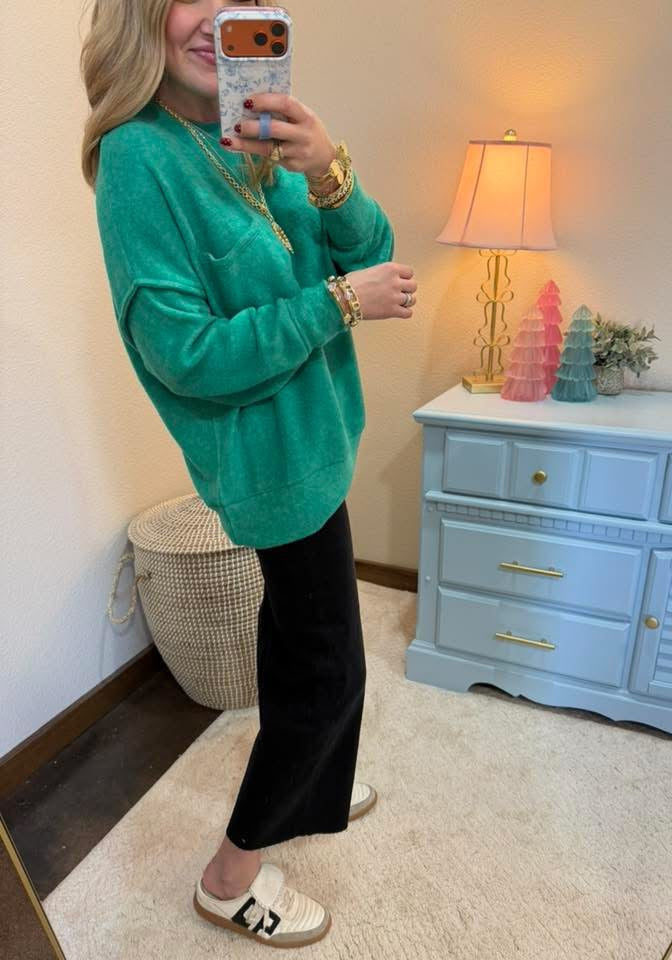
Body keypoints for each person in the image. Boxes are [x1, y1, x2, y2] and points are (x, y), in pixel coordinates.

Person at [80, 0, 417, 949]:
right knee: (328, 673)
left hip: (321, 442)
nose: (215, 20)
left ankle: (316, 778)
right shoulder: (139, 159)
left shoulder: (260, 133)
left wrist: (329, 172)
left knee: (294, 640)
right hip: (270, 467)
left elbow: (373, 255)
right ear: (142, 15)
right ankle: (228, 879)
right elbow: (187, 354)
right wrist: (338, 303)